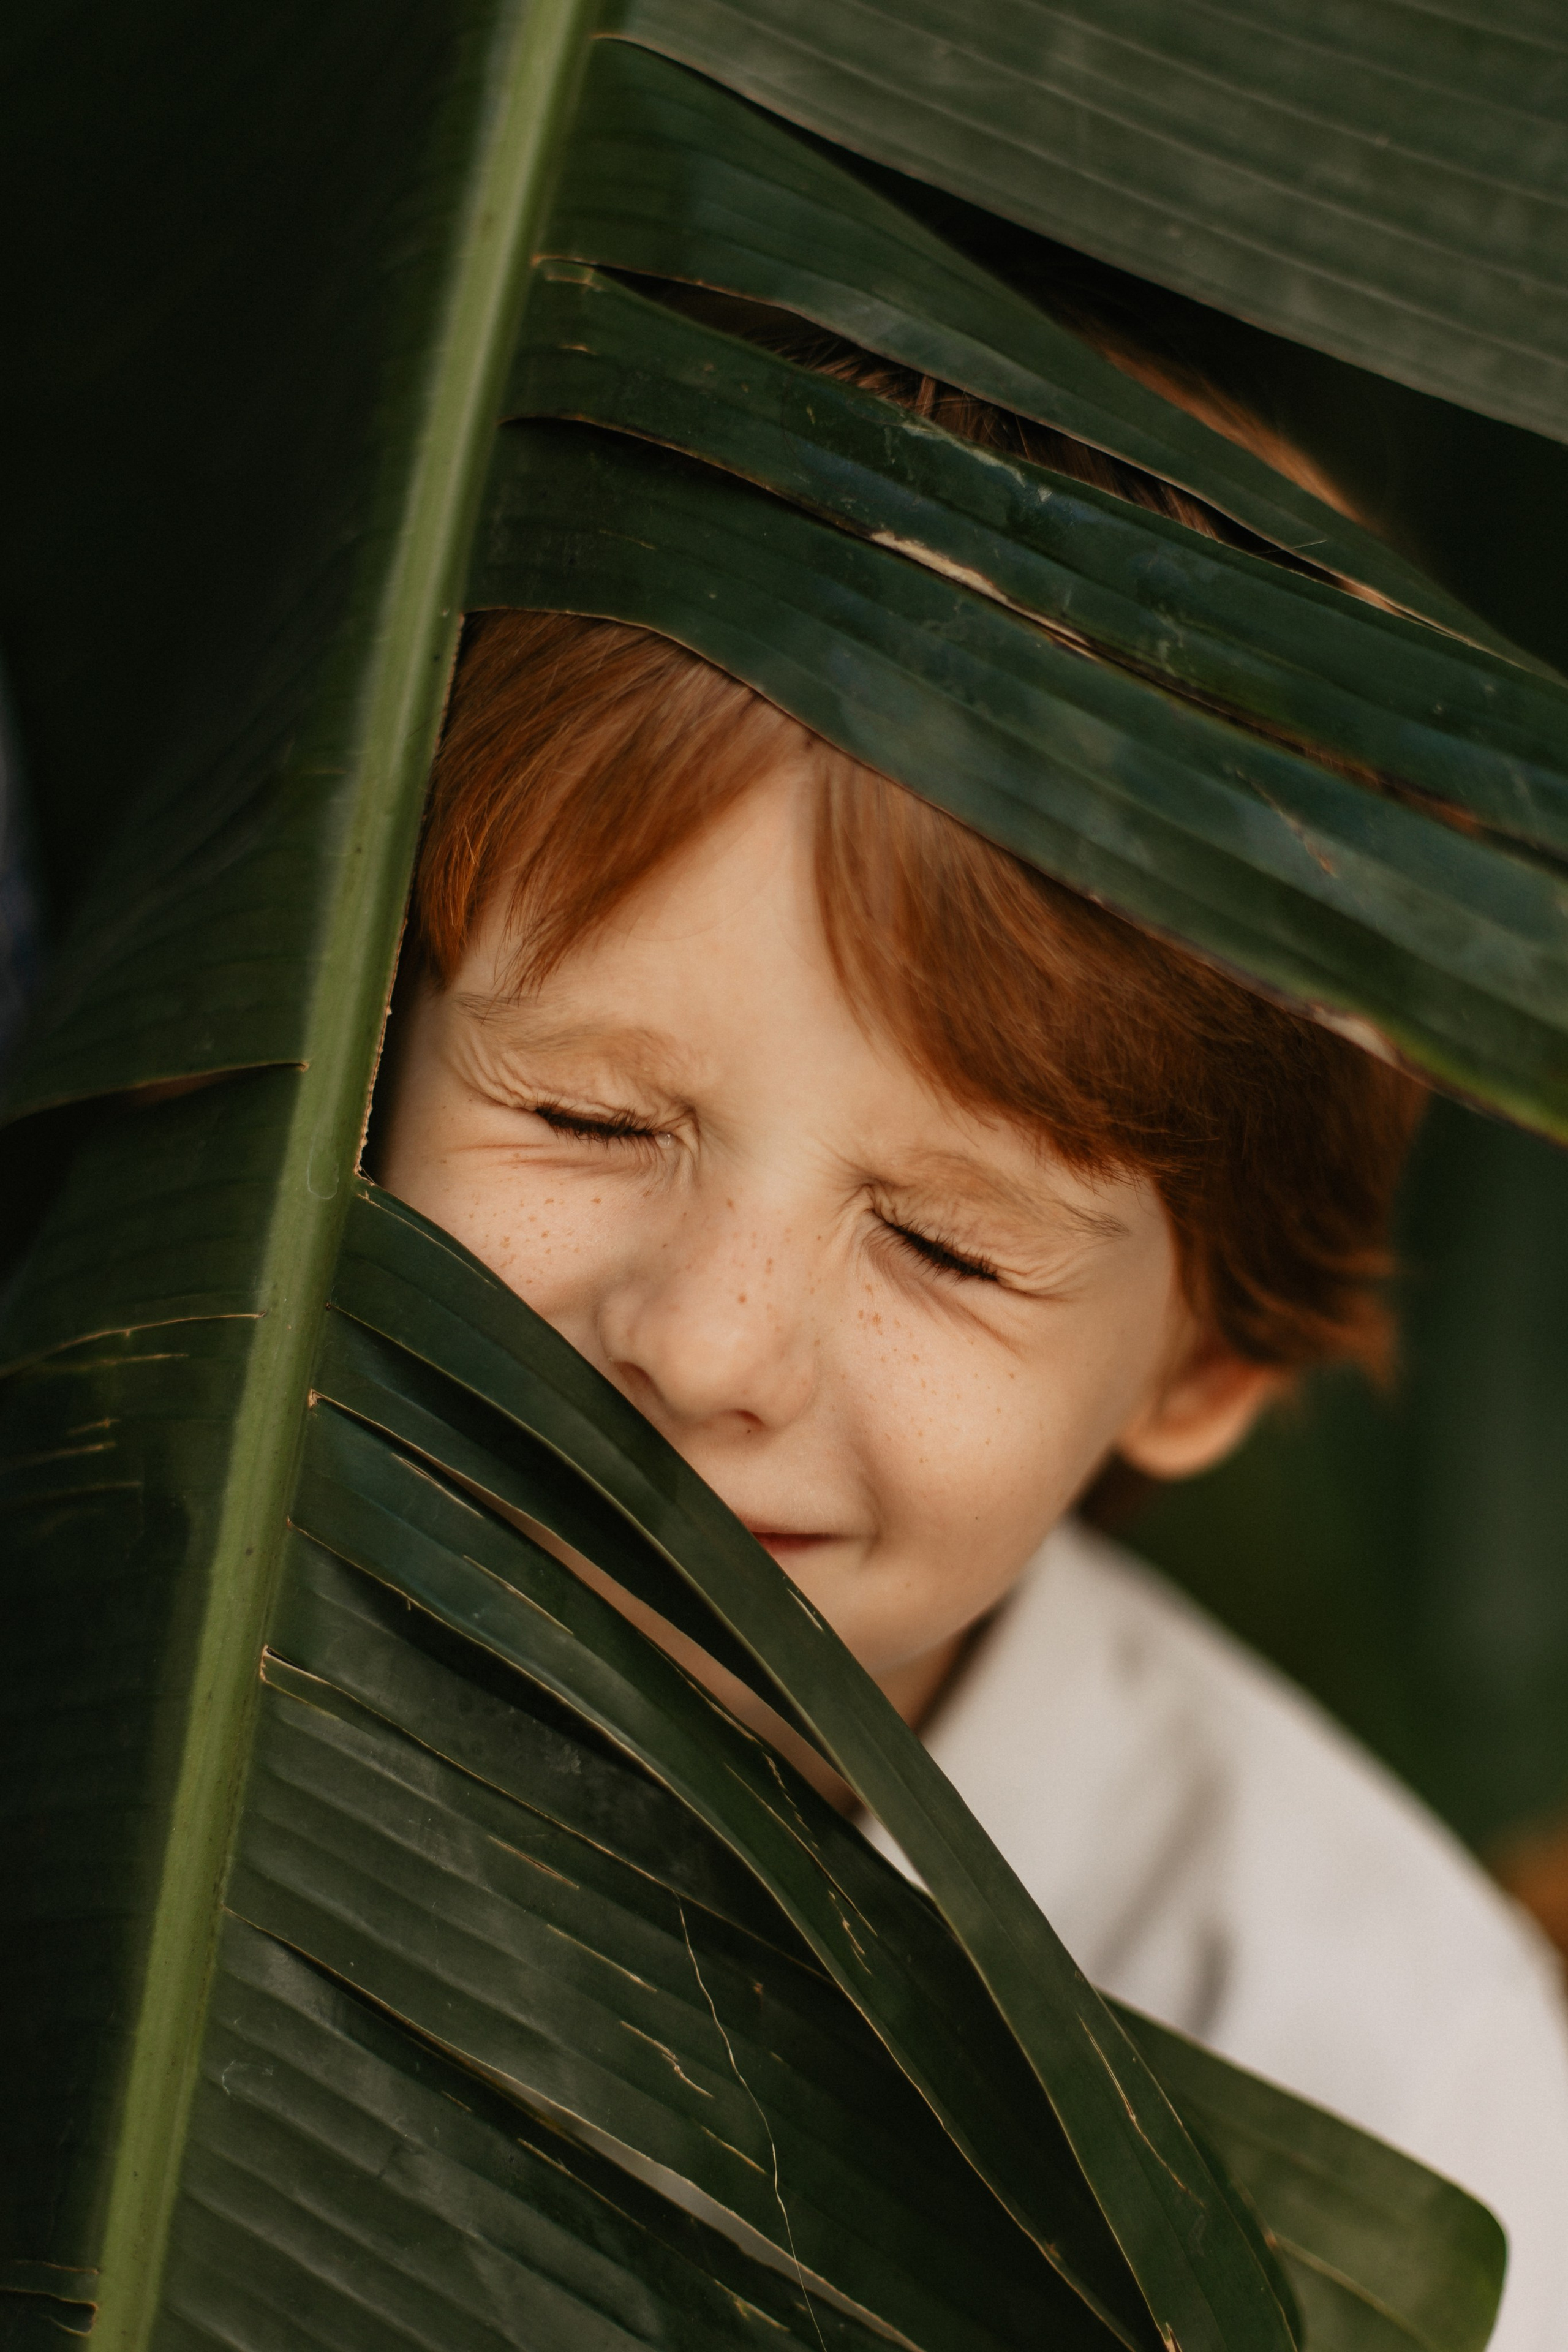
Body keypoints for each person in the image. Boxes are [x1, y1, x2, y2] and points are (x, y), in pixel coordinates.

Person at [375, 338, 1568, 2348]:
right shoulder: (106, 1560)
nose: (705, 1344)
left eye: (939, 1246)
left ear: (1201, 1371)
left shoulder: (1371, 2072)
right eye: (590, 1120)